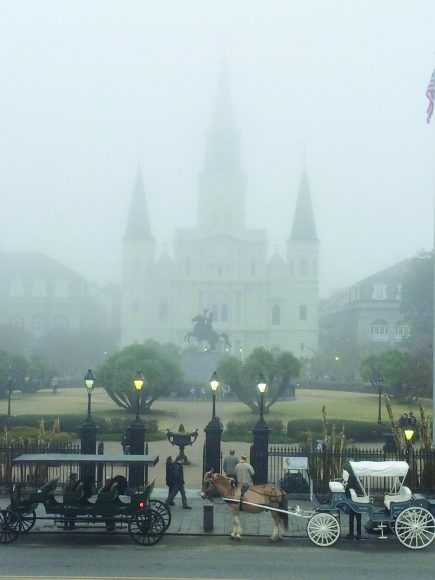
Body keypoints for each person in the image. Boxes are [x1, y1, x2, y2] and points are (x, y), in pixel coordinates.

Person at [345, 469, 362, 540]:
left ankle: (351, 533)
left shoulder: (350, 482)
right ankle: (358, 533)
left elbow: (347, 490)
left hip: (353, 502)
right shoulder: (359, 481)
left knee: (351, 518)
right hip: (358, 502)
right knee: (358, 518)